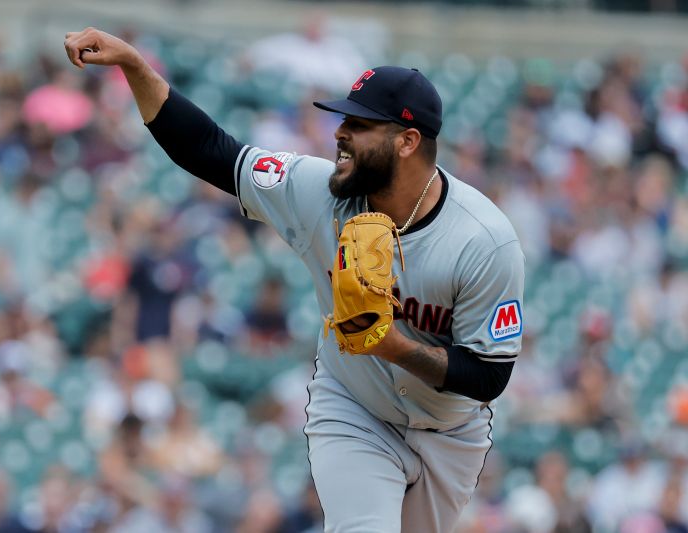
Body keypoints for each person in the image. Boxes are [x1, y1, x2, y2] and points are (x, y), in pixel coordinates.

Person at [64, 28, 524, 533]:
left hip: (450, 431)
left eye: (360, 123)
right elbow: (209, 149)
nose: (339, 132)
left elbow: (489, 375)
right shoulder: (319, 192)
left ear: (407, 141)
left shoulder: (483, 241)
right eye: (344, 118)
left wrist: (392, 345)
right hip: (354, 407)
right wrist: (135, 65)